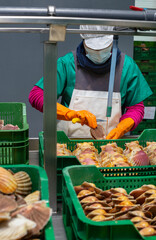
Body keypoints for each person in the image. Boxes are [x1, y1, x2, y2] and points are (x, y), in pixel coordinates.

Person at [29, 25, 153, 139]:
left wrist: (122, 127)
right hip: (69, 145)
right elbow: (36, 96)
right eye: (93, 50)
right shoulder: (67, 64)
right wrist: (70, 114)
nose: (99, 54)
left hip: (110, 147)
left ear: (113, 41)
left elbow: (136, 108)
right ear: (84, 42)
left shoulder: (127, 67)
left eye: (103, 48)